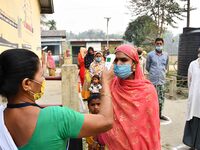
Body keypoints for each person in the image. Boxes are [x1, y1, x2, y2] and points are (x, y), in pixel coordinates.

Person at [0, 49, 113, 150]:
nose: (43, 80)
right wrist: (106, 83)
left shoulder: (2, 116)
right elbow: (106, 121)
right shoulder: (56, 117)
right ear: (27, 84)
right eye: (41, 75)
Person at [101, 44, 160, 150]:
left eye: (123, 60)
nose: (118, 64)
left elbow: (151, 129)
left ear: (134, 64)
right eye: (116, 60)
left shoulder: (148, 91)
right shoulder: (111, 85)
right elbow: (104, 117)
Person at [146, 38, 169, 121]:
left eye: (160, 43)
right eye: (157, 43)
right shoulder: (150, 55)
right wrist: (153, 73)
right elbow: (147, 67)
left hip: (162, 81)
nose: (159, 45)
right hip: (153, 82)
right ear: (155, 44)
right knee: (152, 99)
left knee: (161, 99)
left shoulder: (166, 55)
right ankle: (151, 115)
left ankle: (160, 115)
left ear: (163, 44)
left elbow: (166, 66)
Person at [183, 48, 200, 149]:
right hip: (194, 99)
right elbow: (189, 80)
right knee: (193, 119)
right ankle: (192, 143)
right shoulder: (193, 64)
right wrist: (192, 94)